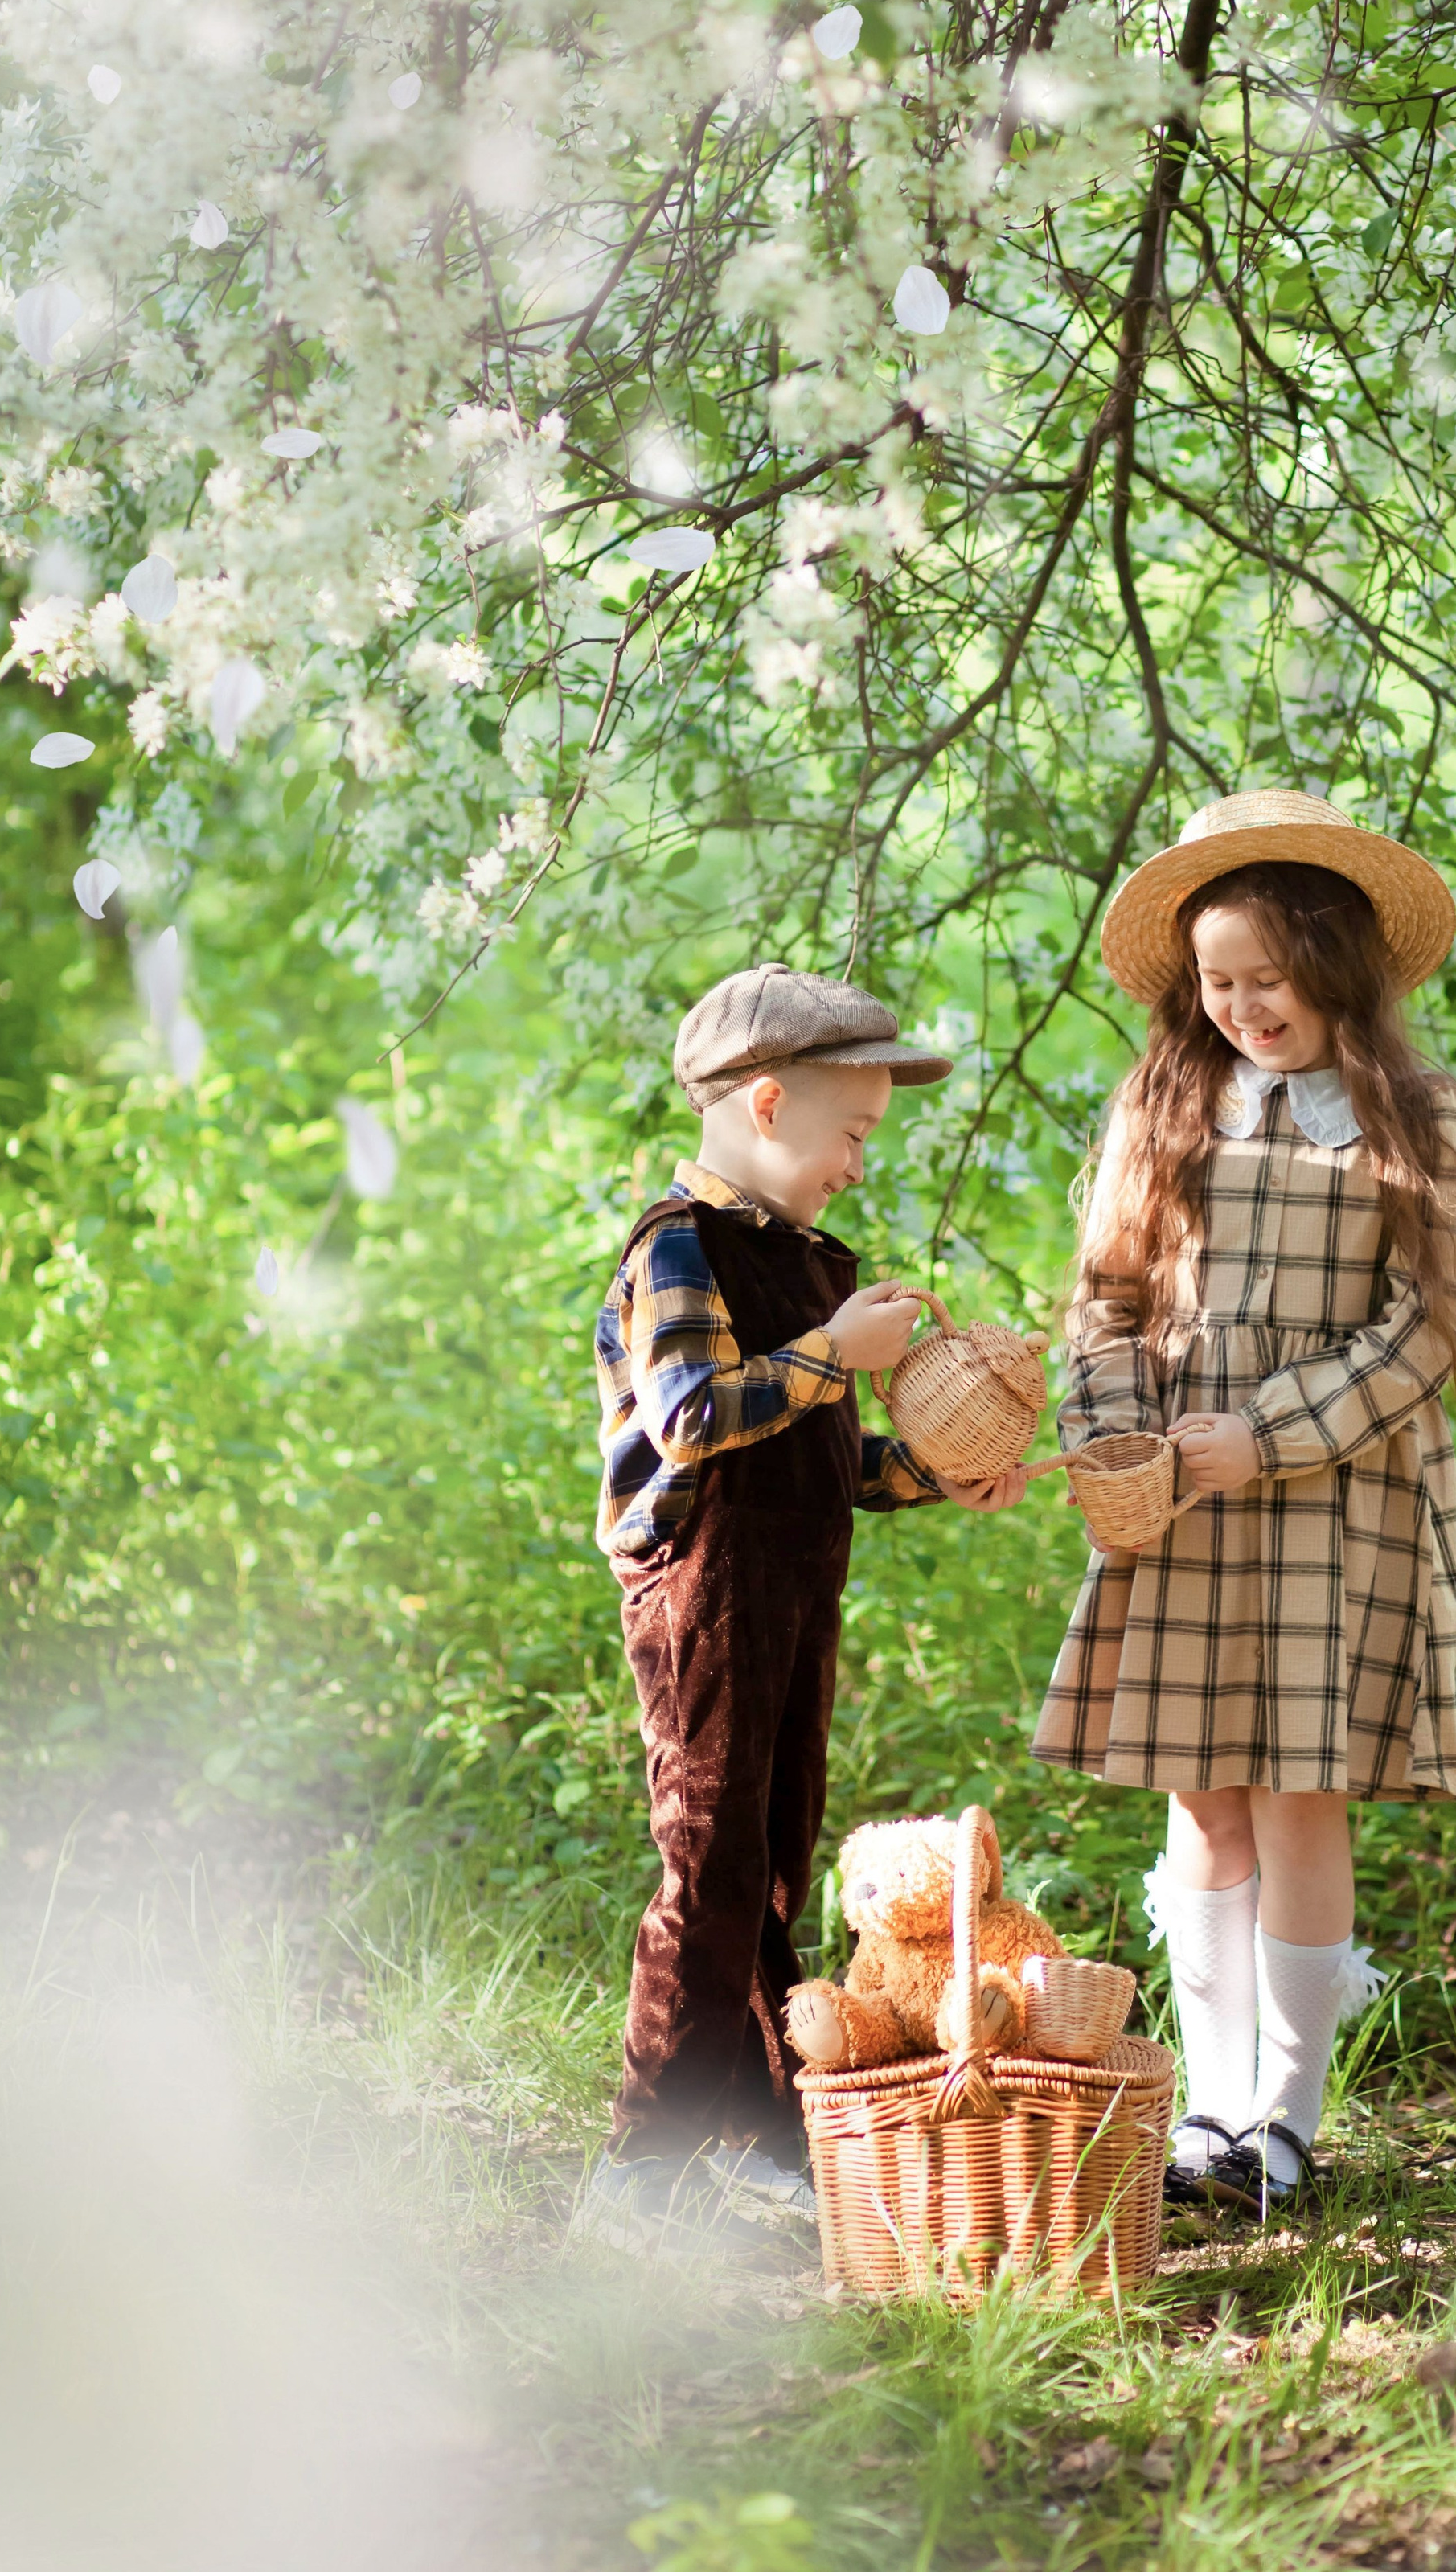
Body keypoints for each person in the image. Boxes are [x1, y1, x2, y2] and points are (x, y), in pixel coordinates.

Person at [1032, 791, 1456, 2213]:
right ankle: (1209, 2118)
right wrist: (1121, 1446)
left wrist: (1268, 1437)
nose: (1239, 1010)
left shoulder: (1421, 1119)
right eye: (1216, 984)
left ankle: (1287, 2124)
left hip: (1333, 1497)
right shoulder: (1161, 1104)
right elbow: (1104, 1302)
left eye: (1266, 982)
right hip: (1177, 1497)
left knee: (1300, 1798)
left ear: (1336, 964)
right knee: (1205, 1800)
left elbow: (1429, 1332)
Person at [584, 962, 1026, 2251]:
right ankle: (642, 2156)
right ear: (767, 1105)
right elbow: (692, 1419)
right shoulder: (682, 1245)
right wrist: (838, 1352)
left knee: (775, 1858)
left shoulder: (816, 1264)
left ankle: (761, 2133)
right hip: (701, 1589)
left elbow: (822, 1454)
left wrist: (938, 1472)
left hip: (792, 1582)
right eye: (852, 1136)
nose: (859, 1166)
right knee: (708, 1855)